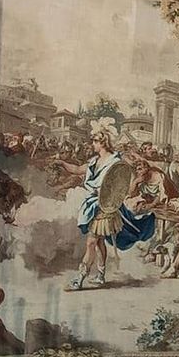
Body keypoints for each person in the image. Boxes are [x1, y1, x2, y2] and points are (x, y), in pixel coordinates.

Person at [65, 118, 155, 290]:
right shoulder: (93, 162)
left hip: (106, 207)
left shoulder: (115, 161)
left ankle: (80, 277)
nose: (92, 144)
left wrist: (132, 185)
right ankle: (100, 275)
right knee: (99, 242)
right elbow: (76, 170)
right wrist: (61, 163)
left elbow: (127, 179)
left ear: (102, 142)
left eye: (94, 141)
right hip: (93, 205)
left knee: (92, 242)